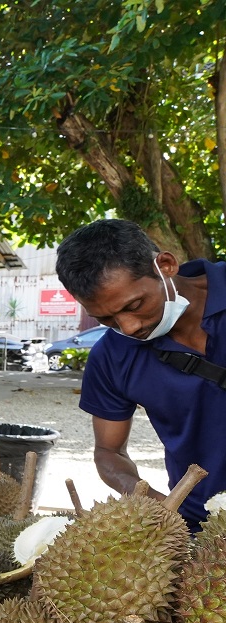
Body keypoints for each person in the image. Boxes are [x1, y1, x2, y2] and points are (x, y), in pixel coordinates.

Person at [55, 218, 226, 530]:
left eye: (135, 304)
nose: (130, 327)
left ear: (166, 265)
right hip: (201, 525)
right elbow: (109, 452)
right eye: (106, 319)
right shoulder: (111, 357)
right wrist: (150, 500)